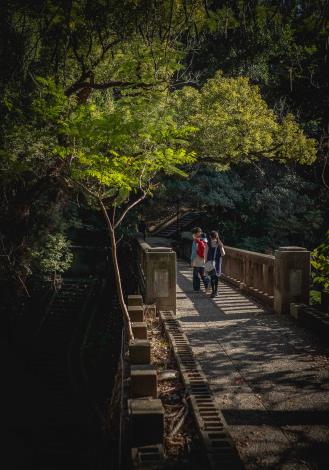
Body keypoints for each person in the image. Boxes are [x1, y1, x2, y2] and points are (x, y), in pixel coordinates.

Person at [206, 230, 224, 298]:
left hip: (210, 262)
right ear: (217, 236)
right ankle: (216, 291)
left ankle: (213, 291)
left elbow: (205, 253)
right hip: (217, 262)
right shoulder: (219, 244)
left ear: (210, 236)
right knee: (216, 277)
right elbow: (223, 253)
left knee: (212, 277)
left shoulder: (208, 244)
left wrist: (205, 262)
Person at [191, 227, 209, 291]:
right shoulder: (205, 240)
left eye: (194, 233)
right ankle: (207, 286)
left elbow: (194, 252)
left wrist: (192, 260)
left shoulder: (196, 241)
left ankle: (196, 288)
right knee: (203, 275)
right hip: (203, 260)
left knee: (196, 275)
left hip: (196, 260)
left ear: (196, 233)